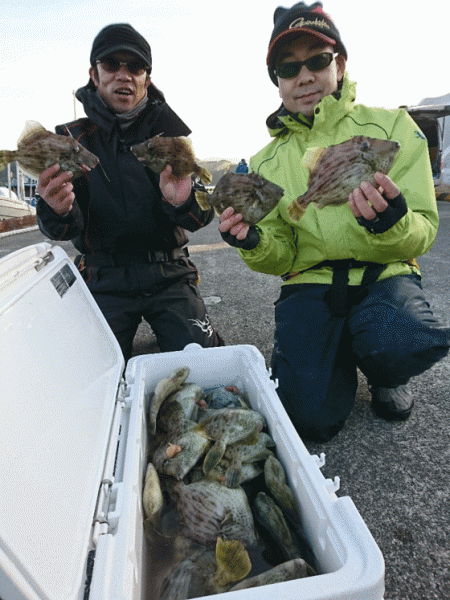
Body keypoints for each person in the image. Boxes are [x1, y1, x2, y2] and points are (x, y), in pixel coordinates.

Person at [219, 1, 450, 441]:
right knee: (309, 420)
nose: (304, 76)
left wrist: (393, 223)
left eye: (317, 60)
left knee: (405, 341)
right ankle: (331, 352)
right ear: (278, 82)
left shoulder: (394, 128)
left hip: (386, 275)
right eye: (288, 68)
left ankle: (386, 373)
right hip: (310, 282)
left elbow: (424, 229)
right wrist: (254, 242)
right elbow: (281, 252)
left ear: (339, 65)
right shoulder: (267, 160)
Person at [35, 23, 222, 361]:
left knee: (205, 362)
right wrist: (56, 209)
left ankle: (178, 327)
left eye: (134, 67)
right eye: (111, 65)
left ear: (146, 79)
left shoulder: (170, 135)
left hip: (169, 275)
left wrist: (183, 202)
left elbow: (200, 216)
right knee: (93, 374)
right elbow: (63, 229)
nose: (123, 75)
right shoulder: (69, 140)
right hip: (102, 277)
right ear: (95, 74)